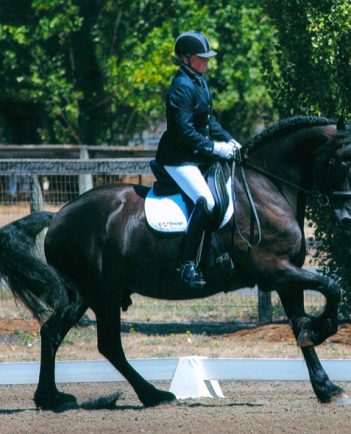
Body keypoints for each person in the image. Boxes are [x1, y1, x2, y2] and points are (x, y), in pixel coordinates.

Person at [155, 30, 241, 289]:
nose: (206, 62)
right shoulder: (181, 87)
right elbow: (185, 131)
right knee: (206, 201)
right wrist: (215, 148)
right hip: (179, 159)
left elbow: (208, 121)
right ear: (185, 59)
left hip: (197, 156)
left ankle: (219, 252)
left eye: (207, 58)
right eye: (201, 58)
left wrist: (230, 140)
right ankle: (187, 263)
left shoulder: (199, 80)